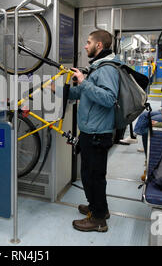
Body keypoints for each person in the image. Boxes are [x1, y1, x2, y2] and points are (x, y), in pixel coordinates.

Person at [68, 30, 121, 233]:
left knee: (94, 176)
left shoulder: (107, 68)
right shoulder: (97, 67)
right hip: (91, 131)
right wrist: (63, 91)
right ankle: (99, 208)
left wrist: (83, 81)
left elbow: (108, 99)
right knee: (88, 174)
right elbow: (86, 92)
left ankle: (99, 220)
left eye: (88, 42)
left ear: (99, 45)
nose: (85, 46)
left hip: (98, 133)